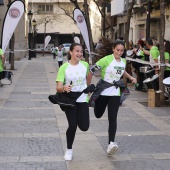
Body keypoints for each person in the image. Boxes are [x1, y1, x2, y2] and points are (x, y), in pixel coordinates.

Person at [87, 40, 137, 156]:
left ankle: (111, 143)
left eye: (122, 51)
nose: (119, 53)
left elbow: (122, 70)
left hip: (115, 93)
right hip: (103, 91)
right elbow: (91, 71)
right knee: (98, 114)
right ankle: (96, 106)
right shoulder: (106, 59)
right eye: (117, 50)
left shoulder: (123, 61)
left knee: (113, 118)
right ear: (113, 49)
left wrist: (130, 78)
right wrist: (89, 86)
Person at [56, 43, 90, 161]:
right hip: (69, 99)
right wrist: (64, 88)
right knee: (72, 125)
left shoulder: (85, 65)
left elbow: (88, 79)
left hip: (82, 99)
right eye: (77, 51)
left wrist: (89, 89)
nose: (80, 53)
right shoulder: (64, 67)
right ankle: (69, 149)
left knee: (85, 127)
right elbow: (58, 87)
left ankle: (80, 124)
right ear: (71, 52)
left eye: (81, 51)